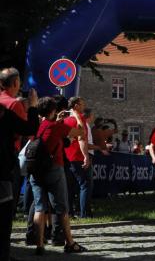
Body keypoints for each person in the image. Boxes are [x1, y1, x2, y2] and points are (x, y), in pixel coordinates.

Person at [30, 96, 87, 254]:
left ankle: (39, 245)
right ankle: (70, 243)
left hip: (36, 169)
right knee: (62, 207)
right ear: (53, 110)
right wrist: (76, 116)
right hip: (54, 168)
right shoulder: (56, 127)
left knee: (40, 208)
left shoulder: (38, 126)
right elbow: (81, 132)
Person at [0, 68, 39, 261]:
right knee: (6, 209)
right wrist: (33, 106)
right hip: (5, 160)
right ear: (15, 83)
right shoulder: (12, 105)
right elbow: (28, 130)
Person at [63, 97, 91, 219]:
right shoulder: (80, 119)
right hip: (77, 156)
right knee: (85, 184)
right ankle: (84, 214)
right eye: (82, 104)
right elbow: (82, 139)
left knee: (69, 186)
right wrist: (86, 156)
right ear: (75, 106)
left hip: (66, 156)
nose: (83, 106)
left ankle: (69, 213)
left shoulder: (65, 120)